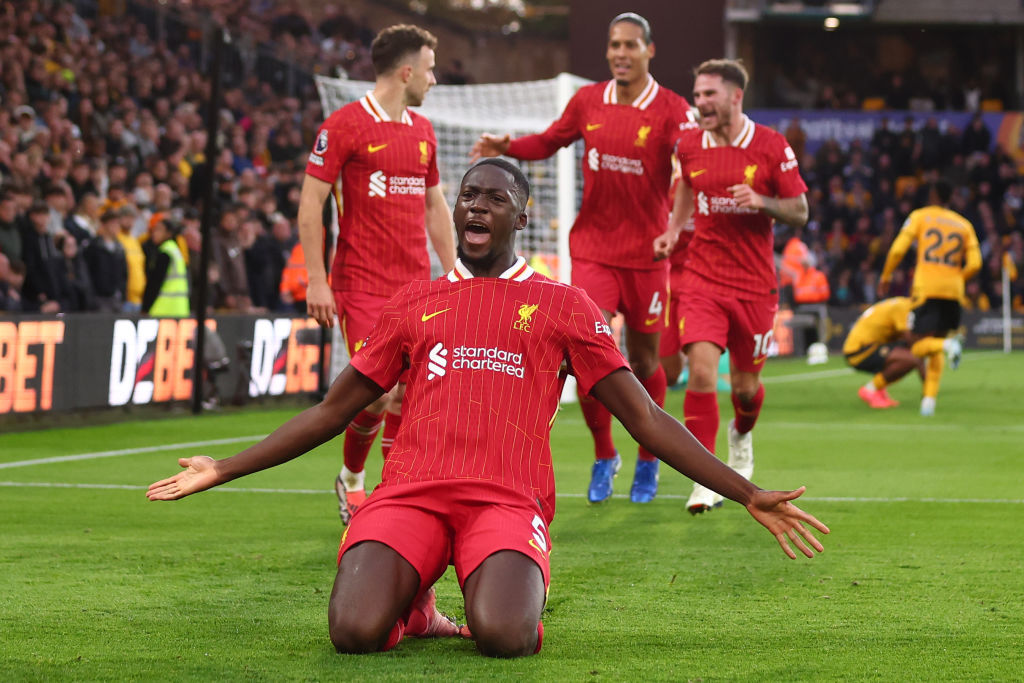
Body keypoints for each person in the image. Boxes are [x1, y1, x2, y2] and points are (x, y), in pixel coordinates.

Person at [148, 159, 829, 658]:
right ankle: (414, 609)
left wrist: (745, 493)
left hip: (505, 502)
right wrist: (224, 467)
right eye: (468, 195)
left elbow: (646, 418)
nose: (475, 207)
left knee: (506, 637)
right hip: (409, 495)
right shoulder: (415, 300)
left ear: (522, 216)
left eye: (493, 198)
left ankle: (479, 585)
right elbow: (332, 411)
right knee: (353, 634)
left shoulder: (565, 305)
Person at [470, 13, 695, 504]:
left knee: (643, 359)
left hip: (647, 255)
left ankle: (649, 459)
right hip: (593, 248)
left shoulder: (673, 110)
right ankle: (603, 454)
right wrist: (509, 147)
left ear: (648, 51)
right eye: (614, 44)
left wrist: (676, 226)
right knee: (588, 355)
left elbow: (692, 165)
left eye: (630, 45)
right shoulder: (588, 100)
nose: (620, 53)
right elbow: (550, 141)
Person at [297, 24, 456, 524]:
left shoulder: (423, 132)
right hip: (362, 284)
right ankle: (351, 478)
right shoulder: (343, 125)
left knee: (411, 393)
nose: (433, 80)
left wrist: (455, 273)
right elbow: (311, 205)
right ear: (407, 71)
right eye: (429, 70)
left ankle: (394, 493)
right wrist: (317, 280)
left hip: (417, 287)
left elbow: (435, 207)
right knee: (380, 389)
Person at [667, 59, 809, 514]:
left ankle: (741, 437)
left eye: (709, 94)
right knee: (704, 372)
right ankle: (705, 479)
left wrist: (763, 201)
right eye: (698, 94)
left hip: (754, 286)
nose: (701, 103)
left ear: (735, 96)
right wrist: (674, 229)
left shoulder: (770, 145)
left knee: (746, 390)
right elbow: (687, 188)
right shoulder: (689, 145)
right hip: (702, 277)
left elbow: (800, 211)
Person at [878, 179, 980, 416]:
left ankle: (948, 345)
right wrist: (957, 279)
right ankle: (929, 402)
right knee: (935, 346)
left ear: (933, 195)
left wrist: (886, 275)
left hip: (927, 290)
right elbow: (976, 263)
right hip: (953, 292)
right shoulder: (963, 224)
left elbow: (897, 249)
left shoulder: (920, 216)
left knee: (917, 345)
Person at [142, 214, 189, 317]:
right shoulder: (175, 250)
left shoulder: (165, 252)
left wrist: (145, 307)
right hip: (180, 309)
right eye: (154, 230)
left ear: (168, 234)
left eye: (159, 230)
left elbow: (155, 283)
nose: (154, 233)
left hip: (163, 309)